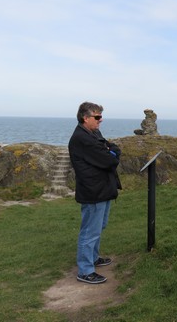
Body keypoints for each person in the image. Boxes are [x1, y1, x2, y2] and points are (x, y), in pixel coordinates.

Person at [68, 102, 122, 284]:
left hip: (103, 189)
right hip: (93, 191)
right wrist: (110, 153)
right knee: (90, 230)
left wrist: (111, 151)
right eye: (97, 117)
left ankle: (93, 258)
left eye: (100, 116)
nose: (101, 120)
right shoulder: (82, 139)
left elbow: (112, 147)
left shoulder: (93, 133)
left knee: (99, 226)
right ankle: (85, 270)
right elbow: (109, 160)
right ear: (86, 118)